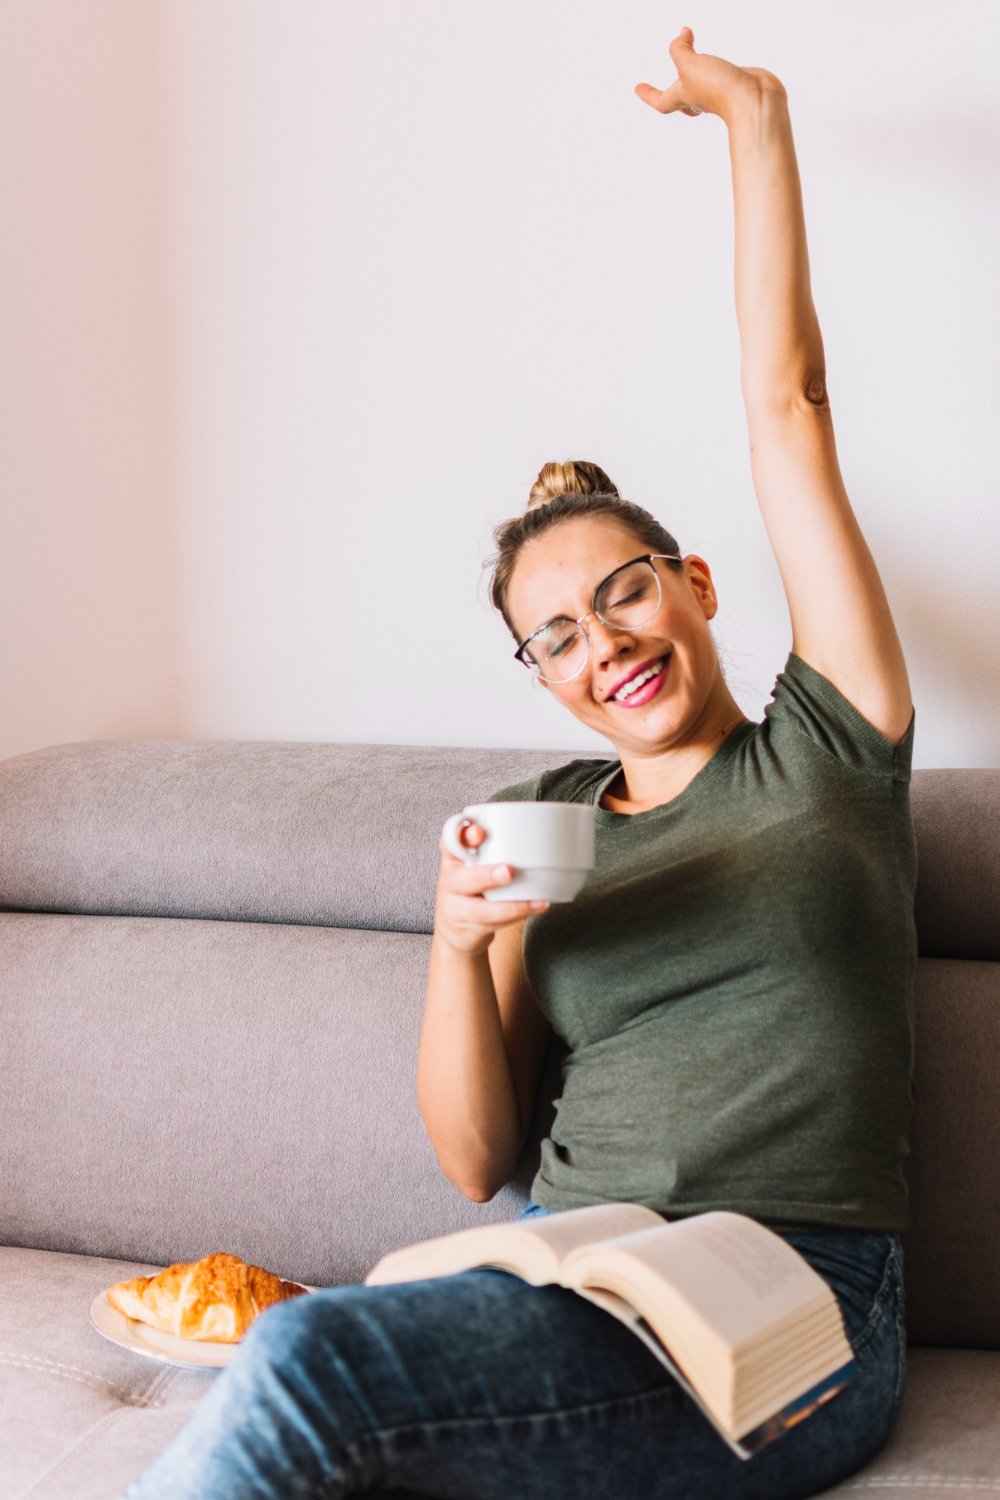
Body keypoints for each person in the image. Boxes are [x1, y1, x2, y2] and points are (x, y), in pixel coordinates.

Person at [126, 28, 913, 1500]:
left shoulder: (830, 741)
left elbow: (789, 408)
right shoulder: (537, 822)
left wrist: (756, 120)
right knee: (322, 1367)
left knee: (303, 1370)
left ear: (695, 585)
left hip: (797, 1292)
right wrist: (457, 939)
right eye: (556, 636)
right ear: (543, 679)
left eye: (624, 592)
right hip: (569, 1267)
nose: (603, 642)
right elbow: (475, 1152)